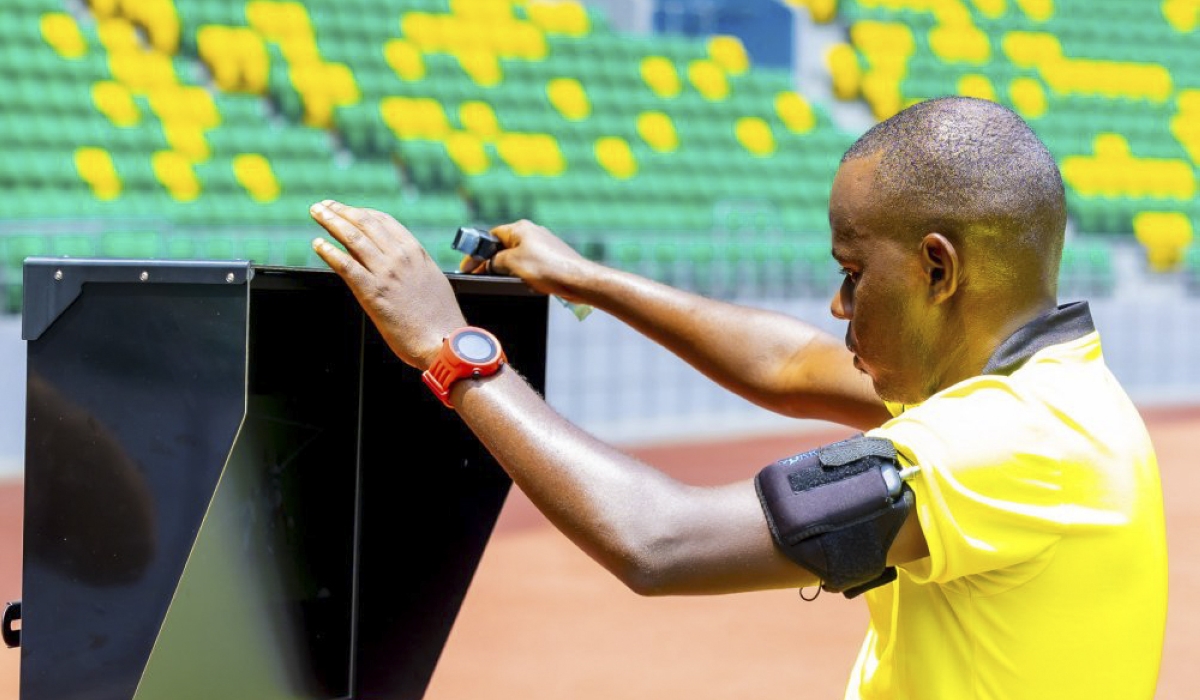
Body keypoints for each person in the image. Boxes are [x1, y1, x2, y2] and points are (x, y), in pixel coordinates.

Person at [307, 96, 1167, 699]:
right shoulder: (1046, 389)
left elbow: (660, 541)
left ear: (938, 270)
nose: (837, 307)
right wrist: (587, 279)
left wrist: (452, 352)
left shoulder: (1003, 444)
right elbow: (788, 364)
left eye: (853, 274)